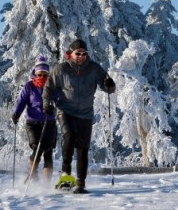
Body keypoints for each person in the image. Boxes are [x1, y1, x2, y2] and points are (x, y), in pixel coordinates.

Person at [42, 39, 116, 194]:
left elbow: (105, 83)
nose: (81, 56)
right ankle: (65, 176)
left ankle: (80, 182)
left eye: (84, 53)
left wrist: (109, 85)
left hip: (86, 113)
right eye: (78, 53)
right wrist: (47, 103)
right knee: (69, 137)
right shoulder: (61, 69)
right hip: (66, 111)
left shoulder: (93, 68)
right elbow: (49, 87)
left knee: (83, 148)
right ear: (70, 53)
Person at [12, 56, 57, 186]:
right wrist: (16, 114)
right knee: (37, 147)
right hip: (33, 123)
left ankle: (46, 185)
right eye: (39, 74)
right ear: (35, 73)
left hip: (49, 123)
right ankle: (32, 173)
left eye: (45, 74)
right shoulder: (29, 86)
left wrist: (52, 106)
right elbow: (22, 101)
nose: (42, 76)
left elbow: (61, 99)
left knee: (48, 152)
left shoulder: (53, 86)